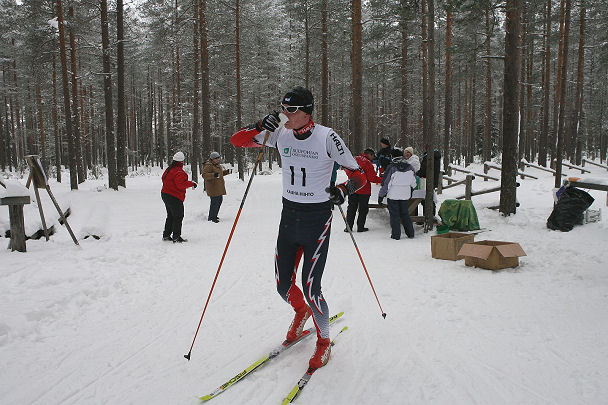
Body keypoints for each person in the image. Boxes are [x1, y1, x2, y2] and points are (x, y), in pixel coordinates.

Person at [230, 86, 366, 370]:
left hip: (317, 217)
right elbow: (237, 141)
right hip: (289, 215)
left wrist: (343, 189)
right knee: (283, 286)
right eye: (283, 108)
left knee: (311, 286)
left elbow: (359, 175)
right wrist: (258, 125)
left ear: (307, 112)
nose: (285, 114)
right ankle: (300, 311)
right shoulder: (279, 132)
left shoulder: (327, 136)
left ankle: (323, 342)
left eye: (291, 110)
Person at [378, 154, 417, 240]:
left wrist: (381, 195)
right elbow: (414, 183)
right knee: (405, 214)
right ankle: (410, 233)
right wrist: (410, 190)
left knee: (394, 215)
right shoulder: (410, 167)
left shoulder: (391, 167)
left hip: (393, 195)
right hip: (405, 195)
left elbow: (386, 184)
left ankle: (396, 235)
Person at [161, 151, 197, 243]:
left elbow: (164, 179)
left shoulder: (169, 169)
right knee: (178, 216)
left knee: (170, 216)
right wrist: (192, 183)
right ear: (181, 162)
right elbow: (180, 185)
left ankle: (166, 235)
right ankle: (176, 237)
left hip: (165, 194)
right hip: (174, 196)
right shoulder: (179, 172)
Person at [345, 148, 383, 232]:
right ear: (370, 154)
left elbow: (346, 168)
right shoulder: (368, 163)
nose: (373, 159)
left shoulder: (354, 159)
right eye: (373, 156)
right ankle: (360, 227)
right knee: (363, 209)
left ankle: (348, 226)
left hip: (352, 187)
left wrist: (352, 177)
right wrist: (382, 180)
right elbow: (372, 178)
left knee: (351, 207)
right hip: (364, 189)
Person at [202, 151, 231, 223]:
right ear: (212, 159)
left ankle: (214, 215)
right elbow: (204, 175)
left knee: (219, 201)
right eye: (216, 158)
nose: (217, 159)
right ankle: (211, 217)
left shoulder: (217, 165)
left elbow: (219, 174)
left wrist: (226, 172)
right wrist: (213, 175)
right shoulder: (208, 165)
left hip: (218, 187)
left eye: (218, 158)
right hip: (213, 187)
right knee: (214, 202)